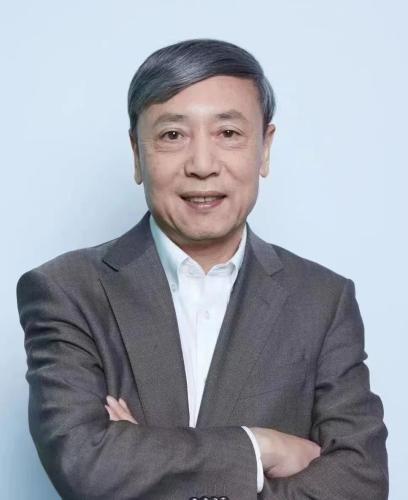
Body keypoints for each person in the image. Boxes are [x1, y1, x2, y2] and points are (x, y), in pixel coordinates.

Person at [16, 38, 388, 500]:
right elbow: (86, 466)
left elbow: (361, 482)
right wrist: (259, 448)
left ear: (265, 149)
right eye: (173, 135)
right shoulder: (66, 290)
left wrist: (142, 455)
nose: (202, 165)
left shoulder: (323, 299)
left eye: (228, 133)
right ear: (137, 154)